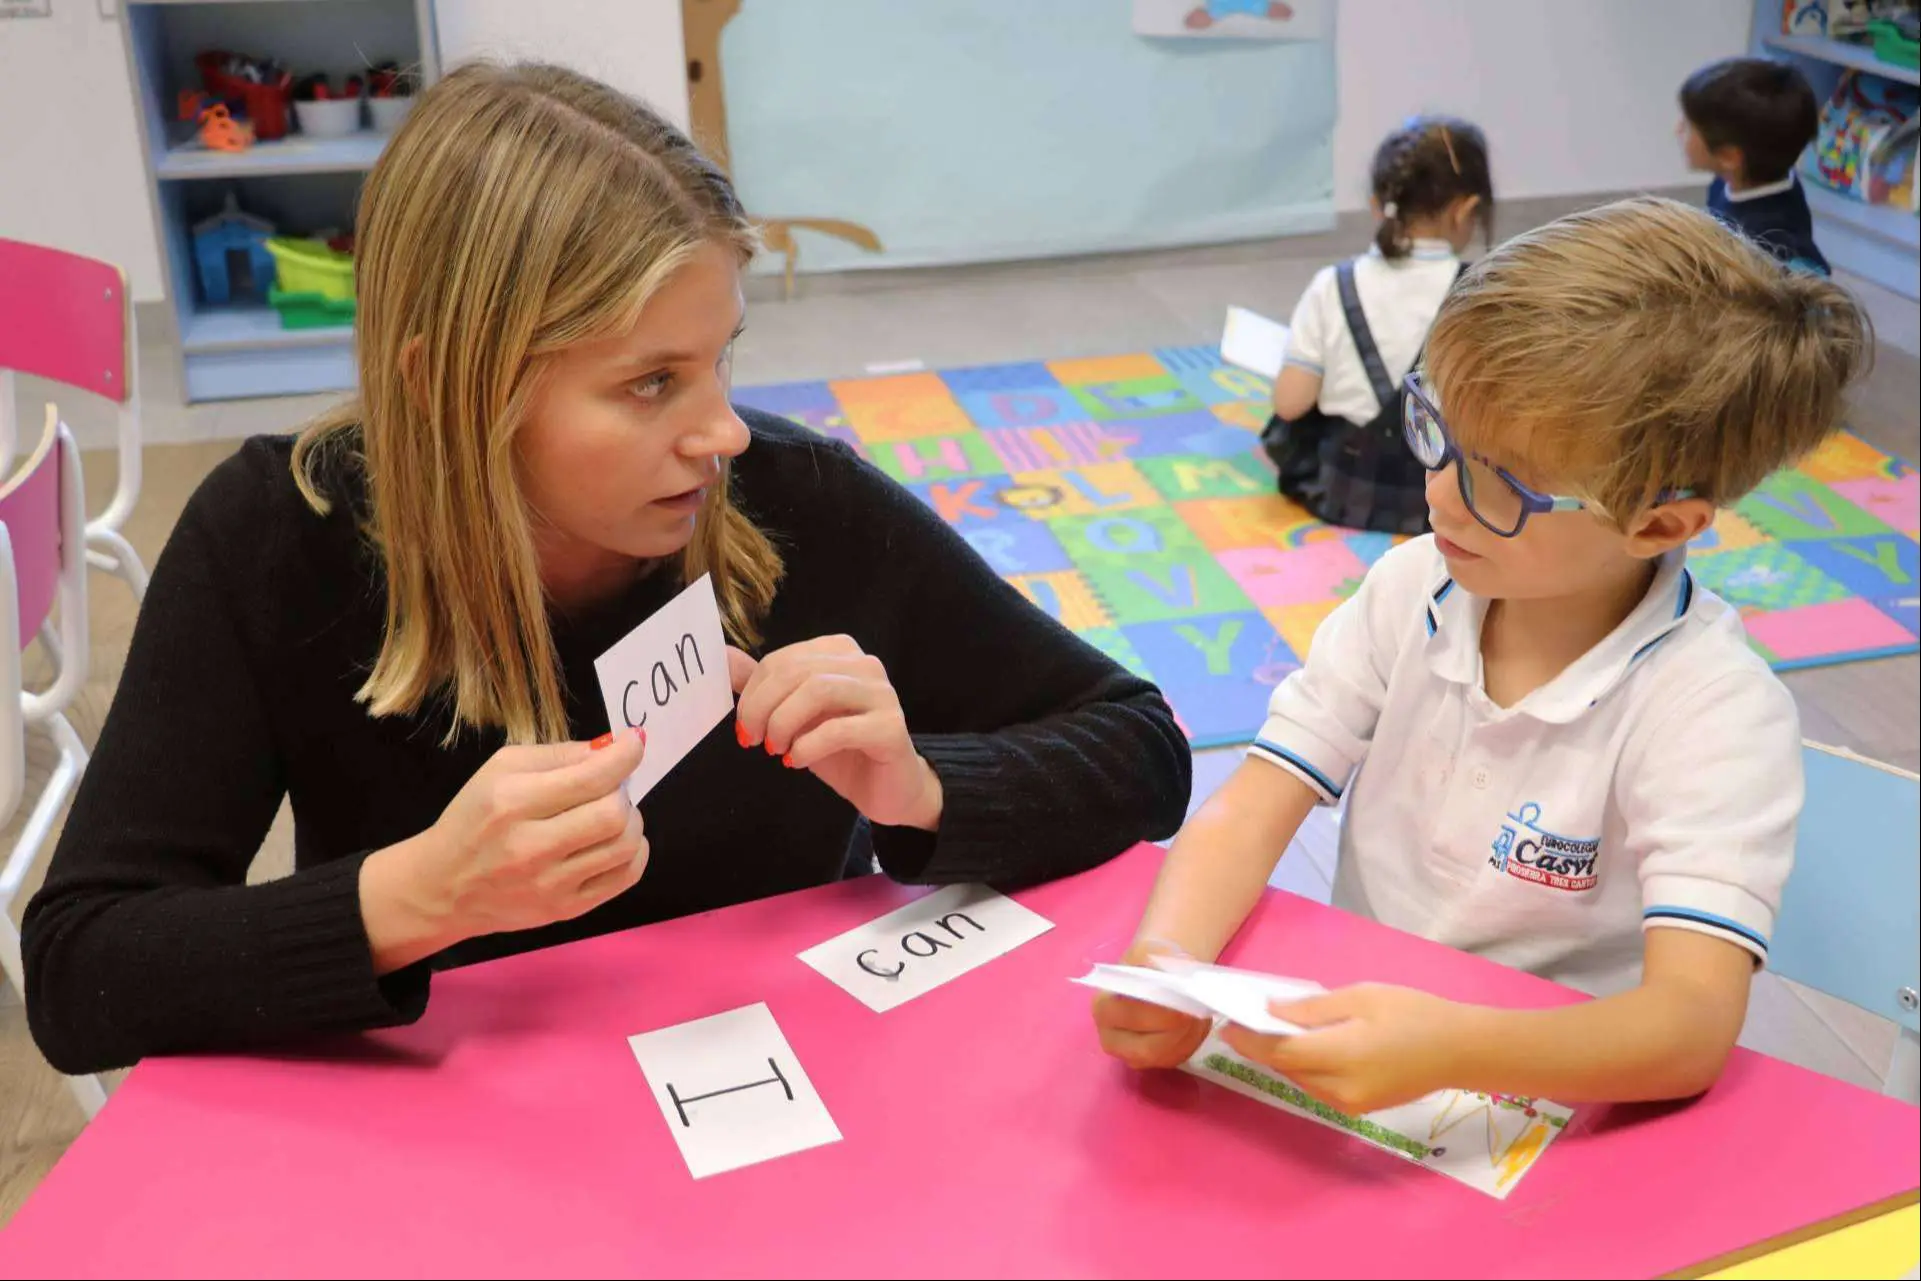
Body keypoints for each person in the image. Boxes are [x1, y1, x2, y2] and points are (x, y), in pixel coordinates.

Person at [25, 62, 1191, 1076]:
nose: (721, 431)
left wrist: (920, 788)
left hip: (796, 1100)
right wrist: (417, 897)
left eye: (720, 360)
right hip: (458, 1140)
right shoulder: (278, 536)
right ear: (446, 386)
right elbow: (81, 972)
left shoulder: (797, 503)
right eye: (650, 383)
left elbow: (1140, 745)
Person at [1094, 197, 1868, 1114]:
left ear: (1658, 525)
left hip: (1553, 1094)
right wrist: (1166, 960)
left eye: (1500, 484)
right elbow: (1256, 802)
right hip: (1364, 1049)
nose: (1438, 498)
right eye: (1437, 433)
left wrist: (1452, 1048)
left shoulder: (1709, 708)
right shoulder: (1411, 588)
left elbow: (1689, 1026)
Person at [1259, 115, 1493, 535]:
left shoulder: (1333, 284)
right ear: (1466, 210)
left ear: (1376, 205)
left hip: (1340, 490)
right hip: (1438, 497)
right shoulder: (1479, 292)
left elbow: (1289, 404)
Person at [1678, 56, 1830, 275]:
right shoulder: (1736, 177)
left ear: (1729, 156)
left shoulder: (1773, 243)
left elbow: (1812, 280)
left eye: (1688, 127)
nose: (1677, 130)